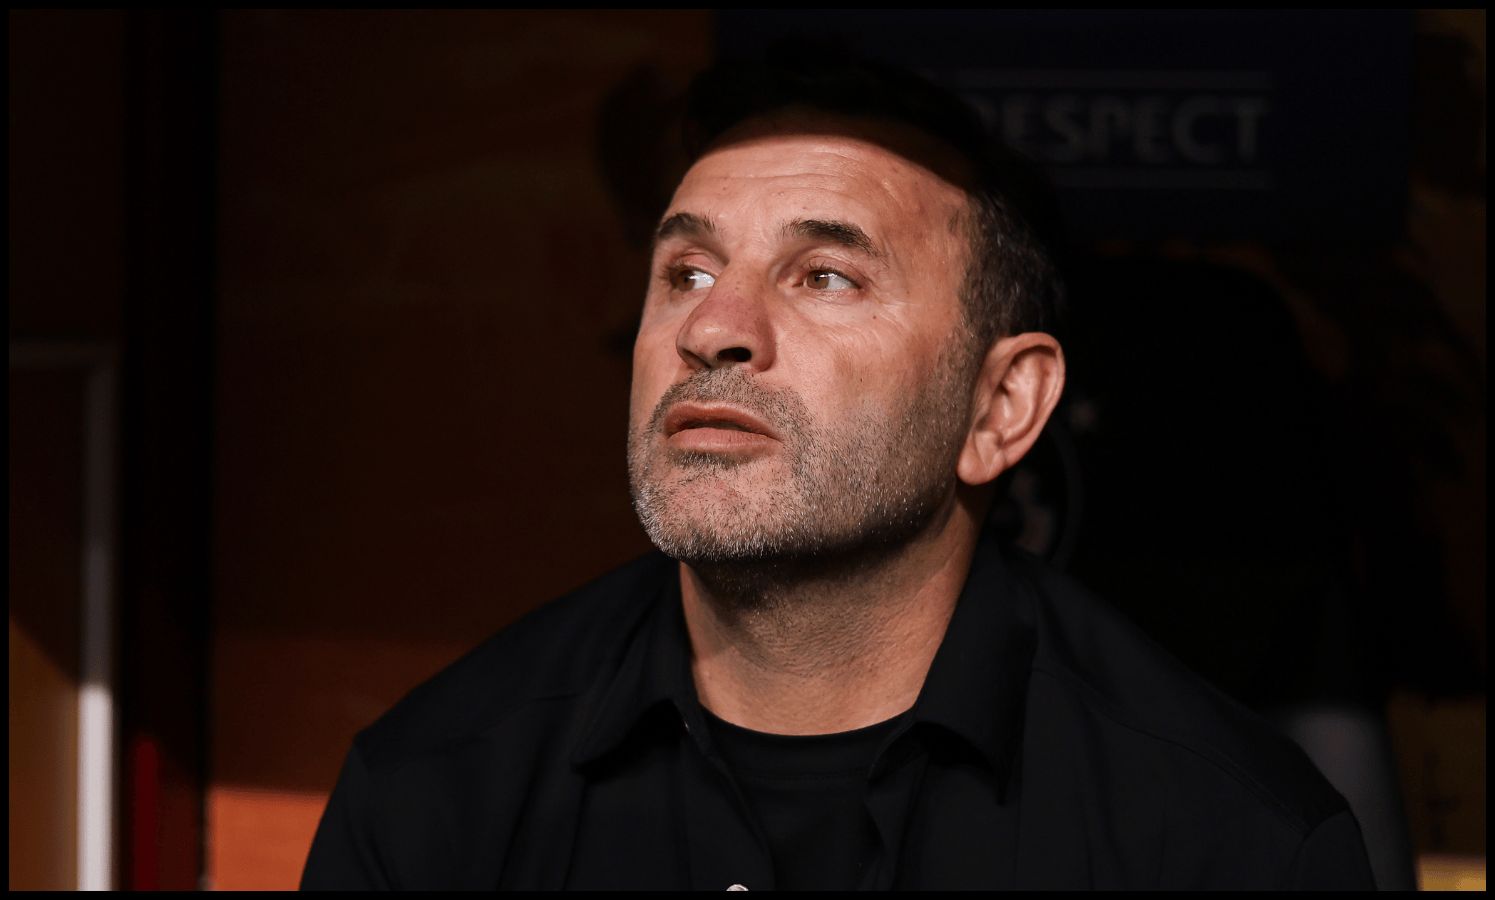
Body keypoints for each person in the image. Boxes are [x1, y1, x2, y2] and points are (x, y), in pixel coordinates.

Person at [301, 58, 1376, 890]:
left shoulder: (1224, 839)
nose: (712, 327)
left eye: (823, 275)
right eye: (686, 269)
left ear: (1000, 409)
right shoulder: (437, 792)